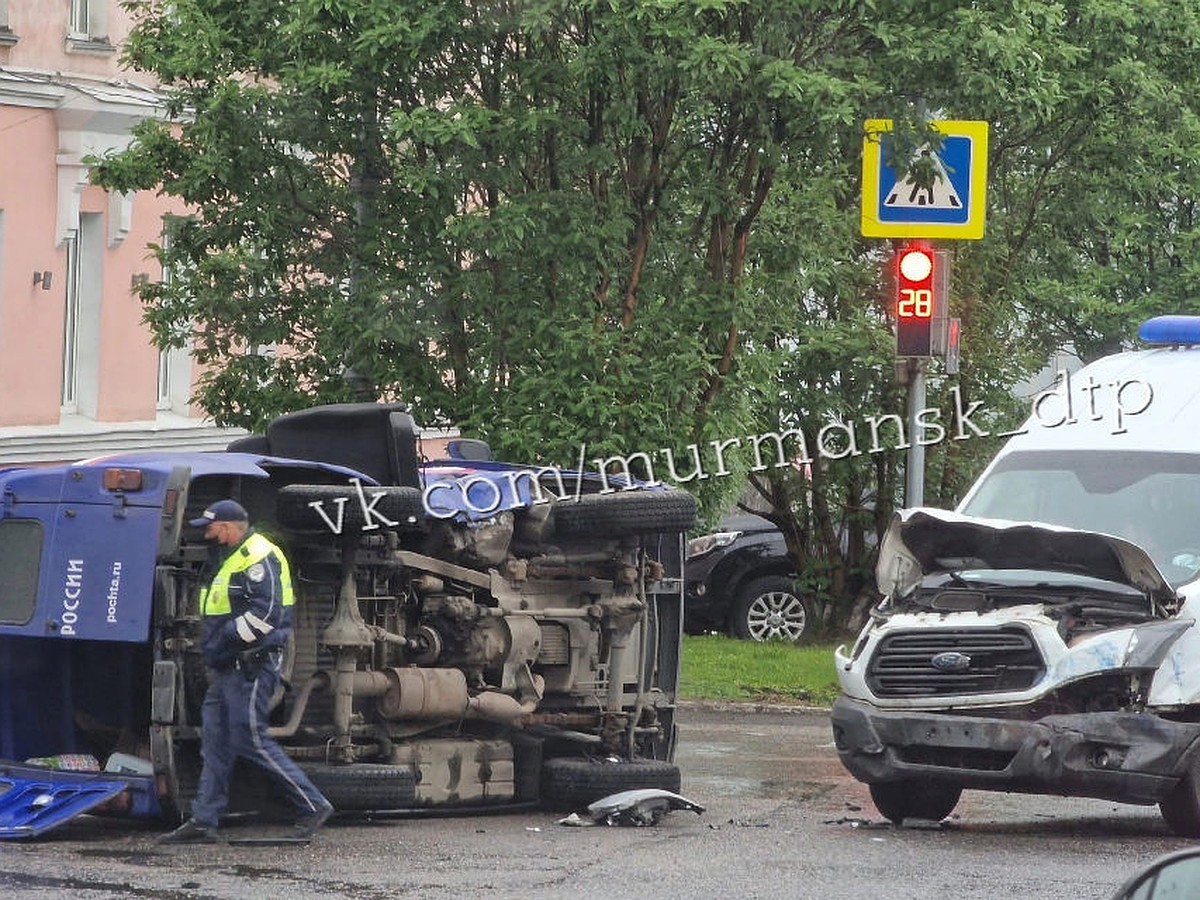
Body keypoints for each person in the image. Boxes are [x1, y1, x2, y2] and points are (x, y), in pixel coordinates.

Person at [159, 499, 333, 844]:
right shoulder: (230, 558)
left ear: (226, 526)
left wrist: (224, 641)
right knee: (216, 743)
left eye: (210, 527)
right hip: (227, 670)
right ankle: (204, 819)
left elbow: (265, 615)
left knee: (250, 739)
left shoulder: (258, 554)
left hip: (251, 667)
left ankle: (313, 804)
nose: (207, 534)